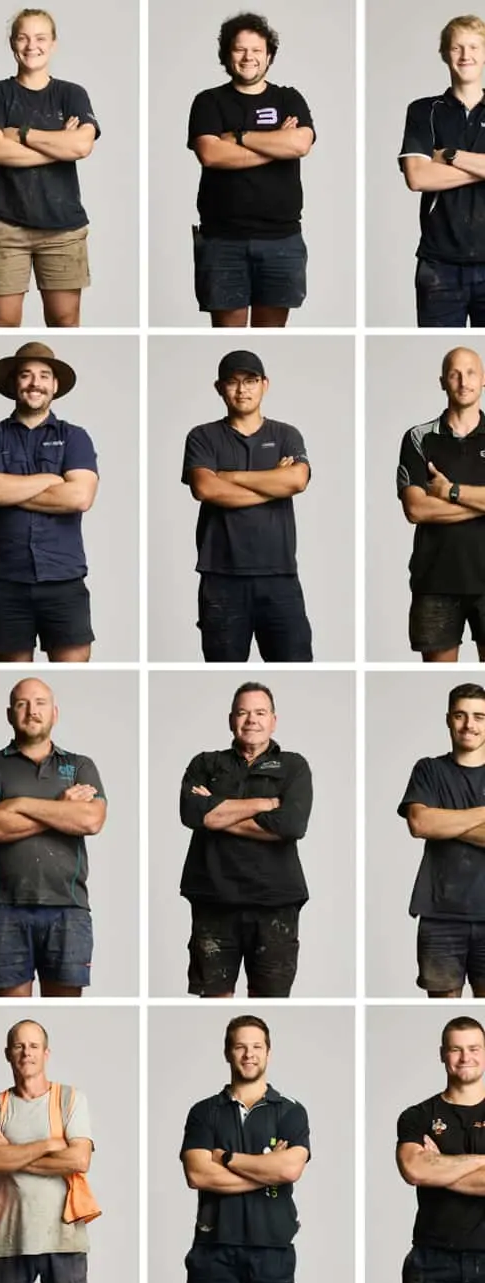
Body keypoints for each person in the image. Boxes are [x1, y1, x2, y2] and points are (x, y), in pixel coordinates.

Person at [0, 677, 107, 998]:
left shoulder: (80, 766)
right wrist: (62, 809)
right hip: (3, 908)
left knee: (64, 1014)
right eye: (22, 704)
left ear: (55, 712)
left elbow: (91, 820)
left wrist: (18, 804)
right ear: (9, 714)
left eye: (40, 703)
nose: (32, 711)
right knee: (11, 1015)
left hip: (69, 907)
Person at [0, 340, 99, 662]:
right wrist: (51, 480)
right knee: (16, 678)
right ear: (14, 383)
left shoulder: (75, 437)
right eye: (26, 375)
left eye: (43, 375)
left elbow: (80, 497)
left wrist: (10, 491)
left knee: (72, 680)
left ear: (55, 386)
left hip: (64, 580)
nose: (35, 383)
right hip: (5, 582)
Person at [0, 8, 97, 328]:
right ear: (12, 43)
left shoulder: (72, 94)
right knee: (1, 325)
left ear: (53, 43)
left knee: (66, 322)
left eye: (40, 38)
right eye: (23, 38)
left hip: (63, 227)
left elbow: (82, 146)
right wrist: (59, 146)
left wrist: (23, 134)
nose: (31, 45)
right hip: (5, 226)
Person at [178, 682, 311, 999]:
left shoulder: (293, 766)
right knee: (214, 999)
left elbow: (290, 825)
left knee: (270, 1001)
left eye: (260, 713)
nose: (251, 720)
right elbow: (193, 814)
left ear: (274, 721)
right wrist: (265, 804)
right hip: (213, 900)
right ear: (231, 720)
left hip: (275, 904)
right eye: (243, 712)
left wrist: (217, 812)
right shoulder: (205, 764)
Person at [179, 1015, 308, 1283]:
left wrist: (227, 1159)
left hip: (272, 1246)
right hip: (214, 1246)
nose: (249, 1054)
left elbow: (290, 1169)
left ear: (268, 1052)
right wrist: (267, 1170)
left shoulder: (291, 1111)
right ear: (227, 1052)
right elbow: (198, 1175)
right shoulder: (204, 1111)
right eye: (240, 1047)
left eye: (257, 1047)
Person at [181, 349, 311, 662]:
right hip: (221, 578)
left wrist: (230, 476)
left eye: (250, 380)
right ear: (219, 388)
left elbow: (297, 480)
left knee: (295, 666)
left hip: (279, 576)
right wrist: (274, 485)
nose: (242, 390)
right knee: (222, 670)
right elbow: (205, 488)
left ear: (265, 384)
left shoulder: (286, 435)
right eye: (232, 382)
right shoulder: (203, 436)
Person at [187, 13, 315, 329]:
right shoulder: (208, 101)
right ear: (227, 54)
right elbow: (211, 154)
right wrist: (276, 144)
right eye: (240, 49)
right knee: (227, 335)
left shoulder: (288, 98)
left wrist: (239, 136)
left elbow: (300, 144)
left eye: (257, 50)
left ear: (269, 55)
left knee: (270, 335)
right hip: (222, 239)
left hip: (281, 238)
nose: (248, 57)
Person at [0, 1019, 96, 1283]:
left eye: (33, 1046)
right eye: (19, 1046)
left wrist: (10, 1154)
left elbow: (79, 1159)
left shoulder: (70, 1099)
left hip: (64, 1241)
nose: (26, 1052)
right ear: (7, 1054)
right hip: (10, 1243)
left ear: (46, 1053)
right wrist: (49, 1145)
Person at [396, 1015, 485, 1283]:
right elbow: (414, 1169)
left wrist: (440, 1167)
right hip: (433, 1260)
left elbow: (427, 1170)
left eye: (474, 1048)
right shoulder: (417, 1116)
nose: (465, 1057)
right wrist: (481, 1160)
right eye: (456, 1049)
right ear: (442, 1054)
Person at [399, 346, 485, 661]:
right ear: (442, 382)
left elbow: (431, 504)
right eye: (454, 374)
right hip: (435, 581)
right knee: (438, 676)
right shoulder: (418, 437)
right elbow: (416, 509)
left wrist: (451, 491)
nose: (463, 381)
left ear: (484, 379)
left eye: (471, 373)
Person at [402, 682, 485, 998]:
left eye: (479, 716)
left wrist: (445, 822)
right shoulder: (429, 769)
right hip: (439, 916)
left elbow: (432, 822)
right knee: (443, 1009)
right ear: (448, 719)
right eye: (460, 715)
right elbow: (420, 823)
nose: (469, 725)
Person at [401, 16, 485, 326]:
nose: (465, 55)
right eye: (457, 47)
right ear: (444, 54)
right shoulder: (424, 110)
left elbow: (431, 169)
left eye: (474, 47)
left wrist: (450, 155)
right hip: (439, 264)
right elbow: (417, 177)